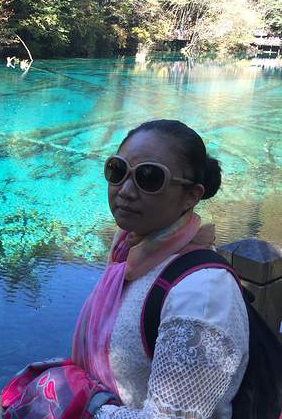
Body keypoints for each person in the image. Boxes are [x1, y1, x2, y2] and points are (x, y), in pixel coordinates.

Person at [72, 119, 249, 418]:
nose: (125, 190)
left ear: (191, 195)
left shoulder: (202, 295)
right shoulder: (129, 251)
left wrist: (79, 400)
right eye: (117, 171)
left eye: (149, 177)